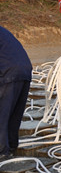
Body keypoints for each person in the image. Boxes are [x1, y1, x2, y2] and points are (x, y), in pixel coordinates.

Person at [0, 26, 33, 162]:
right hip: (24, 71)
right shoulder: (3, 31)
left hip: (7, 72)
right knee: (13, 113)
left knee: (2, 114)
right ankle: (11, 147)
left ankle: (2, 152)